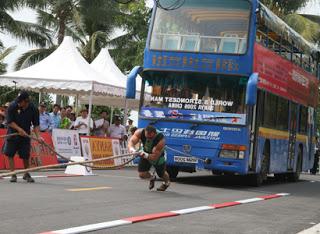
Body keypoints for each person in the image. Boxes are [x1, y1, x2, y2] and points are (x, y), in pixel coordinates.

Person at [3, 91, 41, 183]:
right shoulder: (12, 106)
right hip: (13, 133)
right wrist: (19, 129)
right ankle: (13, 174)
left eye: (21, 101)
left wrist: (38, 136)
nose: (18, 103)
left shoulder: (33, 109)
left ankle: (26, 174)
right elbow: (9, 121)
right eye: (18, 101)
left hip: (25, 134)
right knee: (10, 153)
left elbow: (36, 124)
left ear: (26, 101)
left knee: (25, 155)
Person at [128, 125, 170, 191]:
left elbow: (154, 157)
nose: (148, 139)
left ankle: (166, 183)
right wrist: (132, 149)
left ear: (155, 134)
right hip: (145, 151)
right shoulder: (140, 132)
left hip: (158, 156)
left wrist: (145, 155)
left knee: (161, 174)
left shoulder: (161, 140)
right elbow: (131, 141)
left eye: (151, 138)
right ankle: (152, 177)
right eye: (147, 137)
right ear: (145, 132)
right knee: (142, 174)